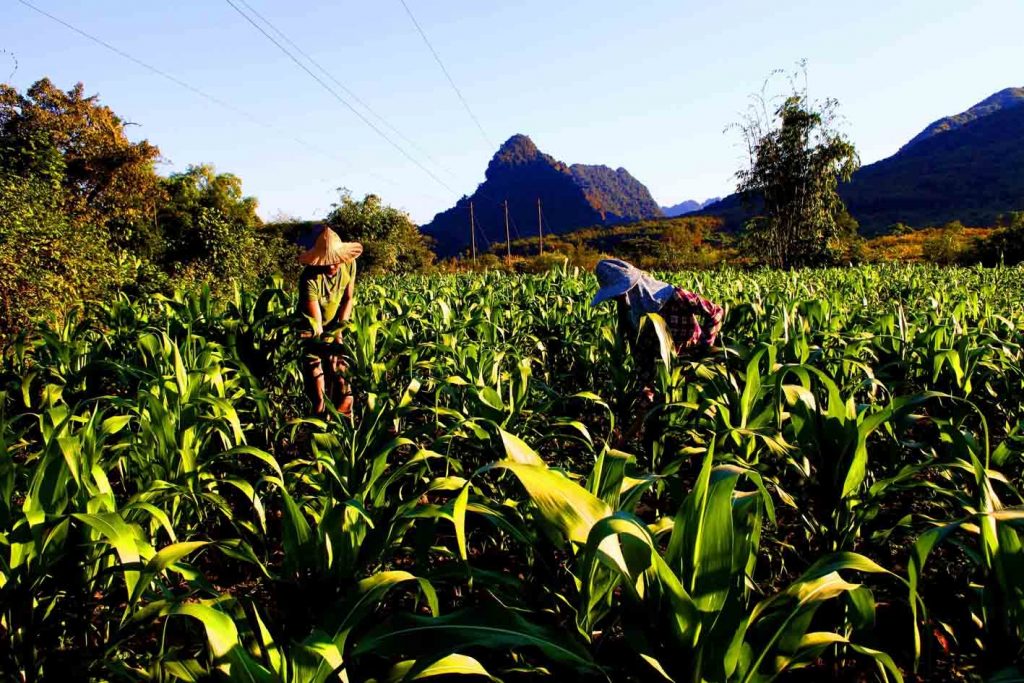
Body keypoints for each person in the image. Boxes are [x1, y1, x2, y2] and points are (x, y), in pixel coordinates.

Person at [591, 258, 723, 443]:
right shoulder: (631, 317)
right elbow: (642, 363)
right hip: (663, 375)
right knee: (658, 430)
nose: (618, 299)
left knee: (701, 423)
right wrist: (644, 402)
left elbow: (715, 312)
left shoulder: (672, 296)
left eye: (620, 294)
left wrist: (704, 347)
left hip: (694, 367)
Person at [297, 226, 363, 416]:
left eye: (335, 262)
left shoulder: (350, 264)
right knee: (315, 371)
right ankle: (318, 415)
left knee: (341, 370)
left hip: (336, 323)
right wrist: (323, 342)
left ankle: (343, 414)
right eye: (327, 263)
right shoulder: (309, 279)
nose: (332, 266)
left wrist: (339, 332)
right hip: (311, 327)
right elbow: (316, 322)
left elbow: (348, 298)